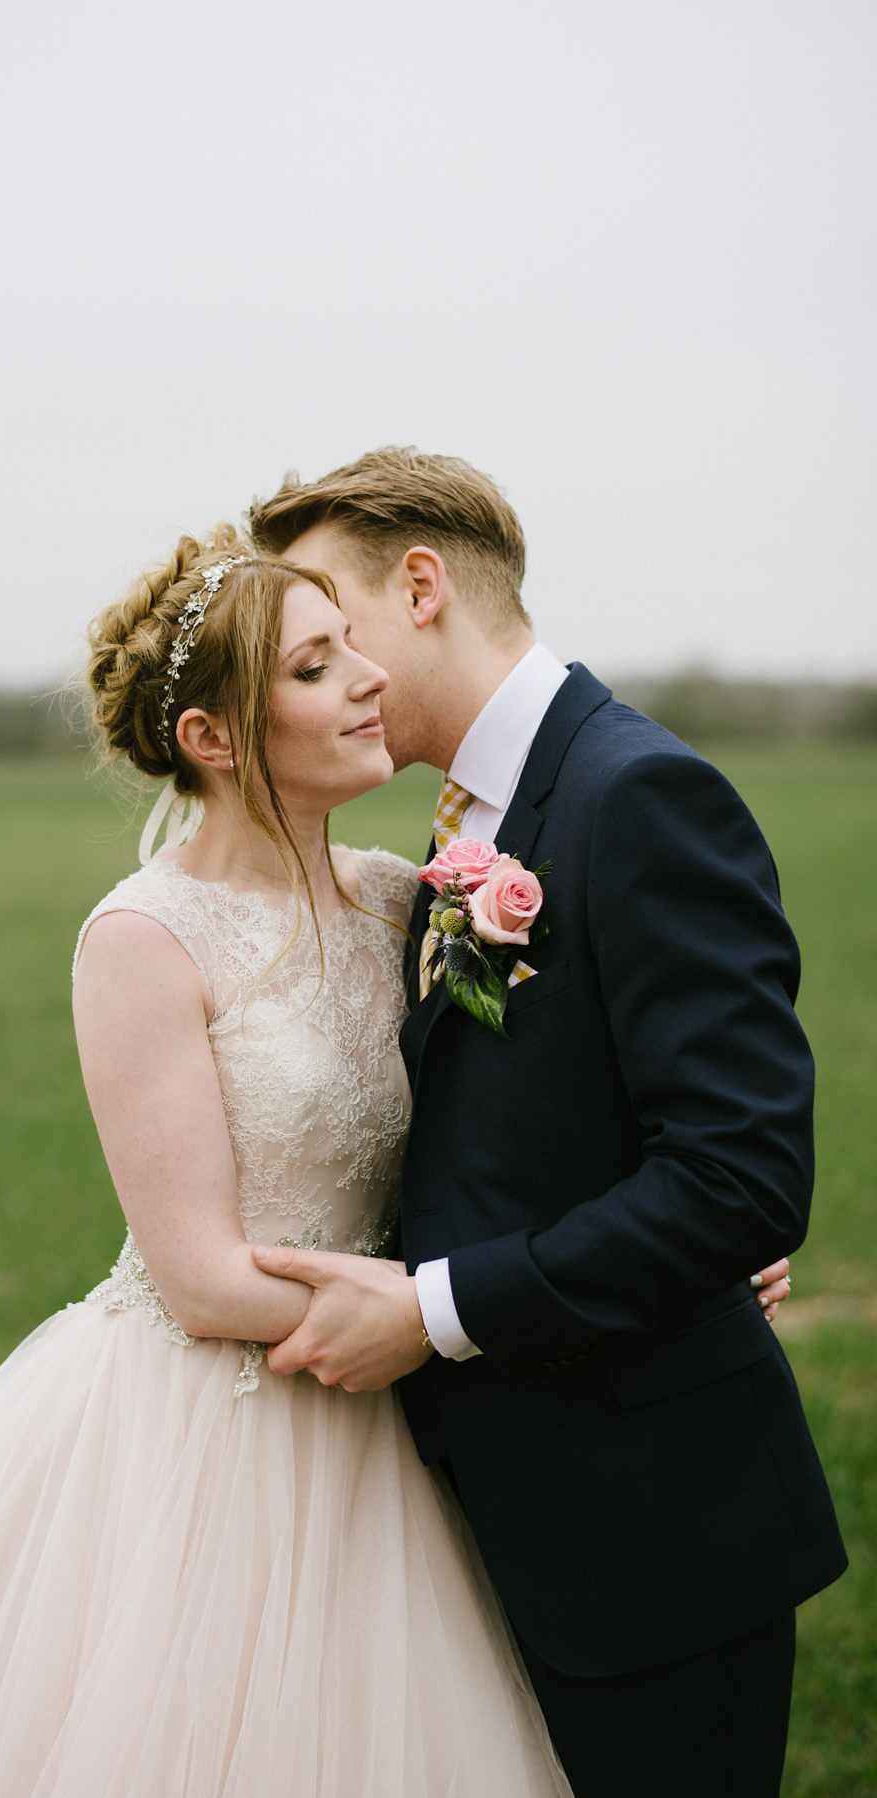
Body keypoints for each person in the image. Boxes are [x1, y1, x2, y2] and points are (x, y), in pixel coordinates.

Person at [0, 533, 577, 1797]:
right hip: (205, 1425)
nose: (369, 681)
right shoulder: (143, 938)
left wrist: (676, 1252)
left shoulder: (408, 902)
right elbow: (205, 1279)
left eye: (351, 653)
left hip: (389, 1413)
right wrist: (433, 1319)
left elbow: (521, 1120)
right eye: (319, 669)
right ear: (217, 739)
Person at [247, 447, 848, 1798]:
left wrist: (436, 1307)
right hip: (495, 1505)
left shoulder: (636, 794)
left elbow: (741, 1174)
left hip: (651, 1537)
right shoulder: (473, 820)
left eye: (340, 630)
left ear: (420, 587)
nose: (334, 673)